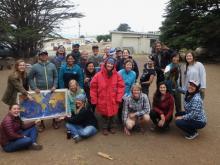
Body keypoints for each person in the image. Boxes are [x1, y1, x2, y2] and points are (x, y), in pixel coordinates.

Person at [90, 57, 125, 135]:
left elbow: (121, 87)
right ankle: (105, 127)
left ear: (113, 65)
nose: (110, 65)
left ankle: (112, 126)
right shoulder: (98, 75)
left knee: (113, 114)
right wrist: (94, 99)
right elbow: (93, 88)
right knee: (104, 114)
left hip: (113, 98)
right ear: (105, 64)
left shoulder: (117, 75)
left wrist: (119, 98)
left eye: (111, 64)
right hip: (102, 98)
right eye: (109, 63)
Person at [28, 50, 58, 131]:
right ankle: (41, 124)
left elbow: (56, 77)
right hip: (40, 91)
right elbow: (30, 78)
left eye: (45, 55)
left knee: (53, 105)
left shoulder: (52, 65)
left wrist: (55, 86)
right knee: (41, 106)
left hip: (51, 90)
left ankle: (54, 121)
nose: (43, 56)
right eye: (42, 55)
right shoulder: (35, 66)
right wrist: (34, 88)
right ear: (39, 56)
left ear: (47, 56)